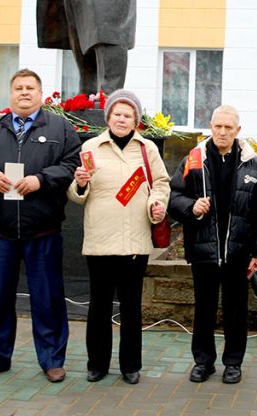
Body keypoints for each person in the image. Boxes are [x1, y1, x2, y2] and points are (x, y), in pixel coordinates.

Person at [0, 69, 81, 382]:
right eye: (18, 88)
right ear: (10, 94)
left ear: (41, 94)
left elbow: (72, 164)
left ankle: (52, 360)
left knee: (48, 299)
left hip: (43, 231)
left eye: (30, 88)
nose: (24, 93)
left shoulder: (60, 128)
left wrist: (41, 179)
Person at [167, 105, 257, 385]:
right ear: (211, 127)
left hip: (238, 253)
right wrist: (191, 207)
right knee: (203, 309)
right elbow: (173, 196)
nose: (222, 132)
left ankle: (233, 363)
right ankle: (203, 362)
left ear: (238, 130)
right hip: (204, 250)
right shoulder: (195, 159)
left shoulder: (255, 166)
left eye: (229, 127)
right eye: (218, 126)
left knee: (235, 310)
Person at [67, 90, 169, 384]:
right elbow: (77, 196)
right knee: (98, 306)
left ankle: (130, 366)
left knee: (131, 306)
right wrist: (80, 184)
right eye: (117, 114)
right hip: (100, 240)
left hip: (135, 240)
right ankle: (96, 364)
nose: (122, 119)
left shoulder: (147, 149)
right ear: (108, 117)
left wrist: (156, 204)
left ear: (136, 120)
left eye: (128, 115)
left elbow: (161, 184)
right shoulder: (91, 147)